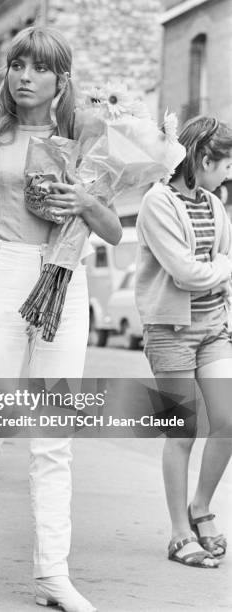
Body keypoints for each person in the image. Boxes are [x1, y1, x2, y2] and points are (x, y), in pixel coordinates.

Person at [0, 26, 122, 612]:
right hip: (2, 273)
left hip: (65, 278)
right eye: (17, 65)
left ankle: (52, 574)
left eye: (38, 67)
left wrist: (85, 202)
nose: (23, 76)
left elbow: (113, 230)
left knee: (54, 435)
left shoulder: (87, 141)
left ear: (61, 79)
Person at [135, 115, 232, 569]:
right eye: (225, 165)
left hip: (214, 325)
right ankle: (178, 534)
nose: (228, 175)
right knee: (183, 431)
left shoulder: (214, 204)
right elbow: (186, 272)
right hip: (170, 331)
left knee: (228, 420)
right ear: (203, 158)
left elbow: (214, 264)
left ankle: (201, 508)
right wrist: (227, 267)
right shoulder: (157, 202)